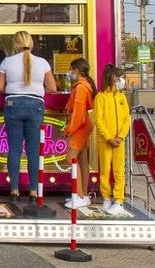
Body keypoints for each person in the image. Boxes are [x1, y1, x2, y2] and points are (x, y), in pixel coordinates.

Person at [0, 30, 56, 200]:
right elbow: (52, 88)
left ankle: (14, 190)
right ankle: (34, 191)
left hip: (13, 105)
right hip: (35, 105)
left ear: (15, 44)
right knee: (33, 151)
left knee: (14, 149)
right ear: (31, 43)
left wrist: (13, 88)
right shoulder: (42, 62)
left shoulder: (7, 61)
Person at [94, 64, 132, 216]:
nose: (120, 80)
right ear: (111, 78)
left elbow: (126, 119)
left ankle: (118, 200)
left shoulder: (122, 97)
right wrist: (109, 138)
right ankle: (106, 198)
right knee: (105, 171)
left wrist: (121, 136)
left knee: (119, 171)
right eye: (118, 77)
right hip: (105, 141)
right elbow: (98, 120)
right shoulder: (100, 97)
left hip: (119, 141)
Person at [62, 57, 96, 210]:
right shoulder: (85, 86)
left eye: (72, 69)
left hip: (80, 126)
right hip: (85, 125)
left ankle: (79, 195)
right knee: (82, 159)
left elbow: (78, 113)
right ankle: (83, 194)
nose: (70, 72)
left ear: (77, 70)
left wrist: (68, 129)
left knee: (71, 158)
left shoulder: (80, 88)